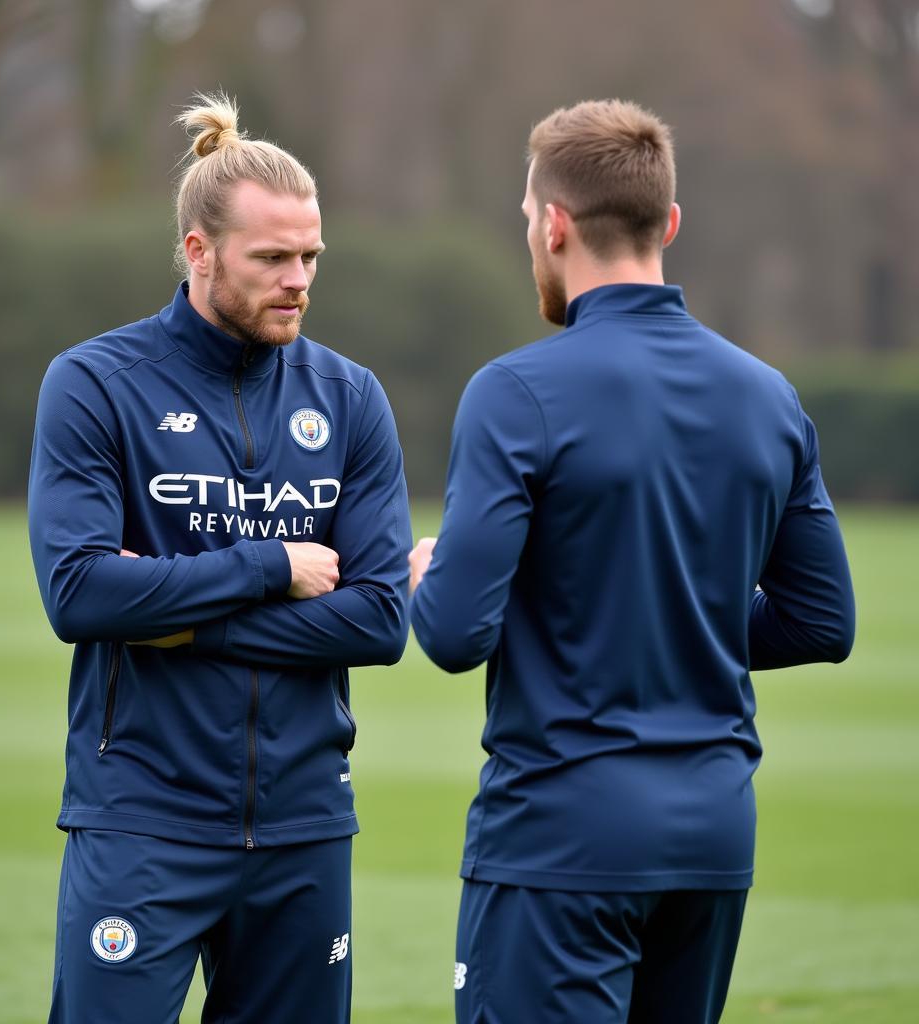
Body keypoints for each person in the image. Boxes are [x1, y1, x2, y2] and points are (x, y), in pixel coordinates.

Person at [409, 99, 855, 1024]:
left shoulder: (515, 393)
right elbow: (822, 621)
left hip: (561, 838)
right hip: (714, 840)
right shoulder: (768, 397)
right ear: (671, 225)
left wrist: (426, 574)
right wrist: (658, 612)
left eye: (529, 219)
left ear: (554, 223)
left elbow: (455, 633)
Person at [28, 92, 411, 1024]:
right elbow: (80, 594)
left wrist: (170, 617)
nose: (298, 280)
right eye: (271, 258)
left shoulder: (351, 399)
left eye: (311, 256)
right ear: (199, 253)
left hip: (306, 828)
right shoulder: (94, 385)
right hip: (140, 820)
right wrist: (270, 566)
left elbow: (378, 620)